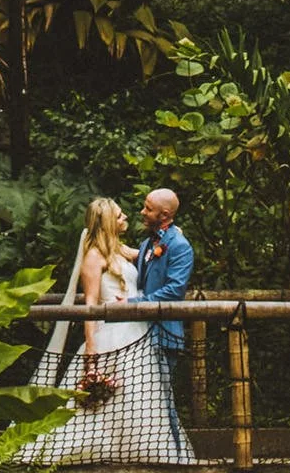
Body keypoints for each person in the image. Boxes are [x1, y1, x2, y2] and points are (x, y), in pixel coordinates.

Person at [15, 193, 196, 465]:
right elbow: (90, 306)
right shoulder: (94, 257)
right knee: (103, 402)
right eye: (120, 215)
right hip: (110, 334)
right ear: (109, 221)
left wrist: (173, 235)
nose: (129, 216)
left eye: (144, 209)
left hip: (138, 333)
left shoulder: (122, 250)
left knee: (138, 400)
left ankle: (142, 454)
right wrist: (91, 351)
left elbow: (155, 256)